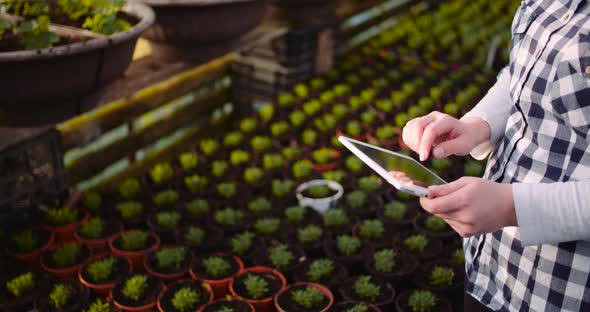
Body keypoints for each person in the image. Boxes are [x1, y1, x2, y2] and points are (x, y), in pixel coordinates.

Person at [401, 0, 590, 311]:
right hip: (493, 265)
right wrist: (477, 124)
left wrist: (512, 207)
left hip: (559, 290)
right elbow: (523, 71)